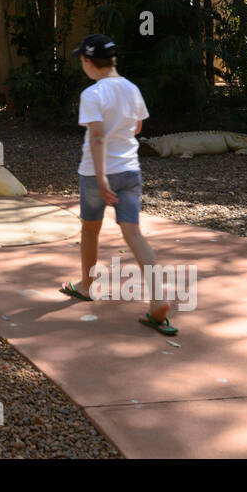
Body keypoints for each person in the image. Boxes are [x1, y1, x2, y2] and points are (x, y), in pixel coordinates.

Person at [60, 34, 177, 335]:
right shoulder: (132, 89)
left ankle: (87, 285)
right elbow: (137, 126)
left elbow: (97, 137)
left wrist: (100, 179)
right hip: (130, 171)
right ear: (112, 60)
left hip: (95, 174)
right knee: (134, 235)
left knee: (90, 229)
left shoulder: (93, 94)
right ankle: (158, 299)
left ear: (88, 62)